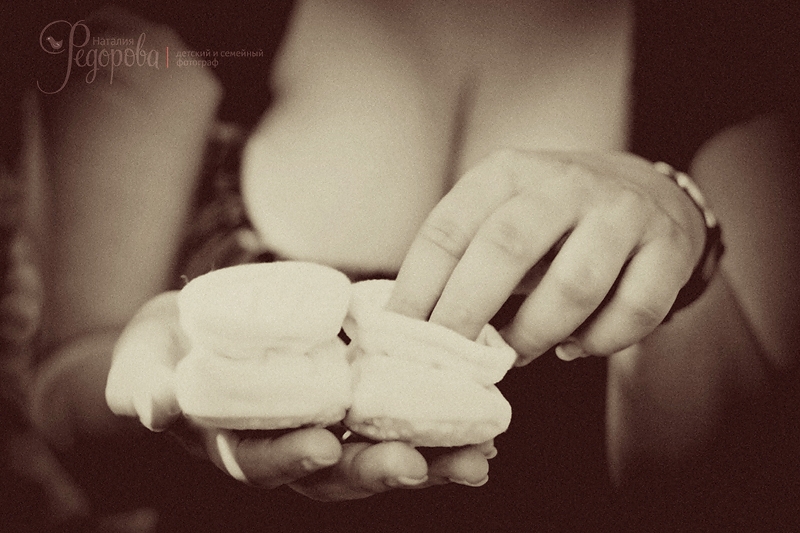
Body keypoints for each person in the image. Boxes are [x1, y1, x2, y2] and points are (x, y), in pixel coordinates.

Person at [25, 0, 799, 530]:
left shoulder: (734, 48)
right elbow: (70, 419)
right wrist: (166, 394)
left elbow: (697, 494)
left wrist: (685, 242)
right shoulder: (189, 20)